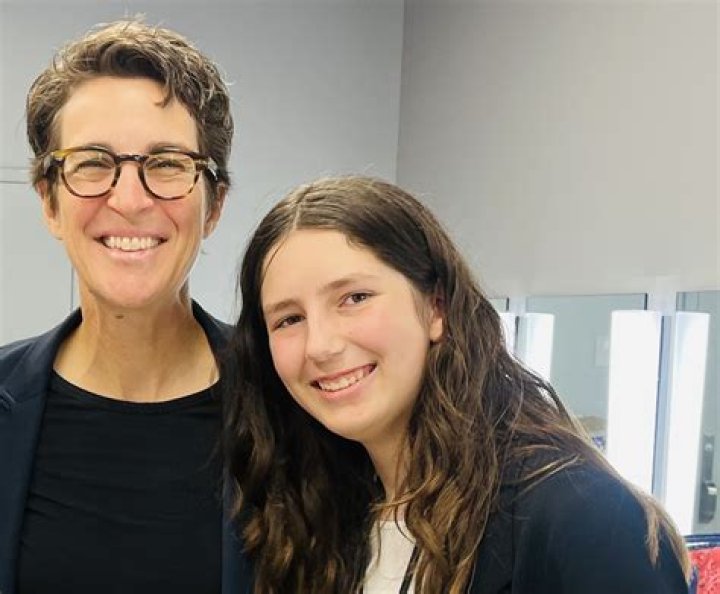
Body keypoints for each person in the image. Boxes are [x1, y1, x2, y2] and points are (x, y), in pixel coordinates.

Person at [223, 175, 691, 594]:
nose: (320, 346)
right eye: (288, 319)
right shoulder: (315, 518)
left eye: (355, 297)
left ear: (437, 308)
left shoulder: (584, 517)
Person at [0, 20, 251, 593]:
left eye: (167, 163)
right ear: (49, 202)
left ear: (214, 206)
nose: (130, 199)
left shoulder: (291, 408)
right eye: (92, 162)